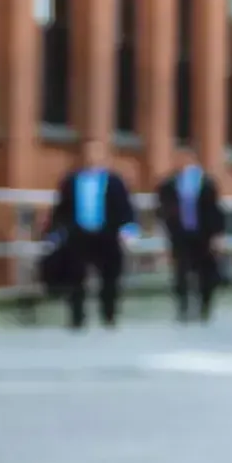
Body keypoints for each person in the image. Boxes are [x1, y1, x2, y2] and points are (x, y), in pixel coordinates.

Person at [45, 141, 134, 330]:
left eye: (97, 154)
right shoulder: (71, 181)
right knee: (75, 277)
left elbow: (125, 208)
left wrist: (128, 230)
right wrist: (54, 232)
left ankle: (108, 316)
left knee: (110, 278)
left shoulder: (115, 181)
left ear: (104, 157)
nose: (92, 158)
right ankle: (77, 318)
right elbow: (61, 210)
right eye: (89, 154)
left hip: (107, 235)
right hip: (79, 235)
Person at [156, 146, 227, 324]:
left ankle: (205, 306)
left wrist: (217, 234)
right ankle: (183, 307)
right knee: (181, 272)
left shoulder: (206, 183)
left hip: (203, 235)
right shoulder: (169, 183)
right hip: (180, 236)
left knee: (205, 273)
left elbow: (215, 210)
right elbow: (162, 208)